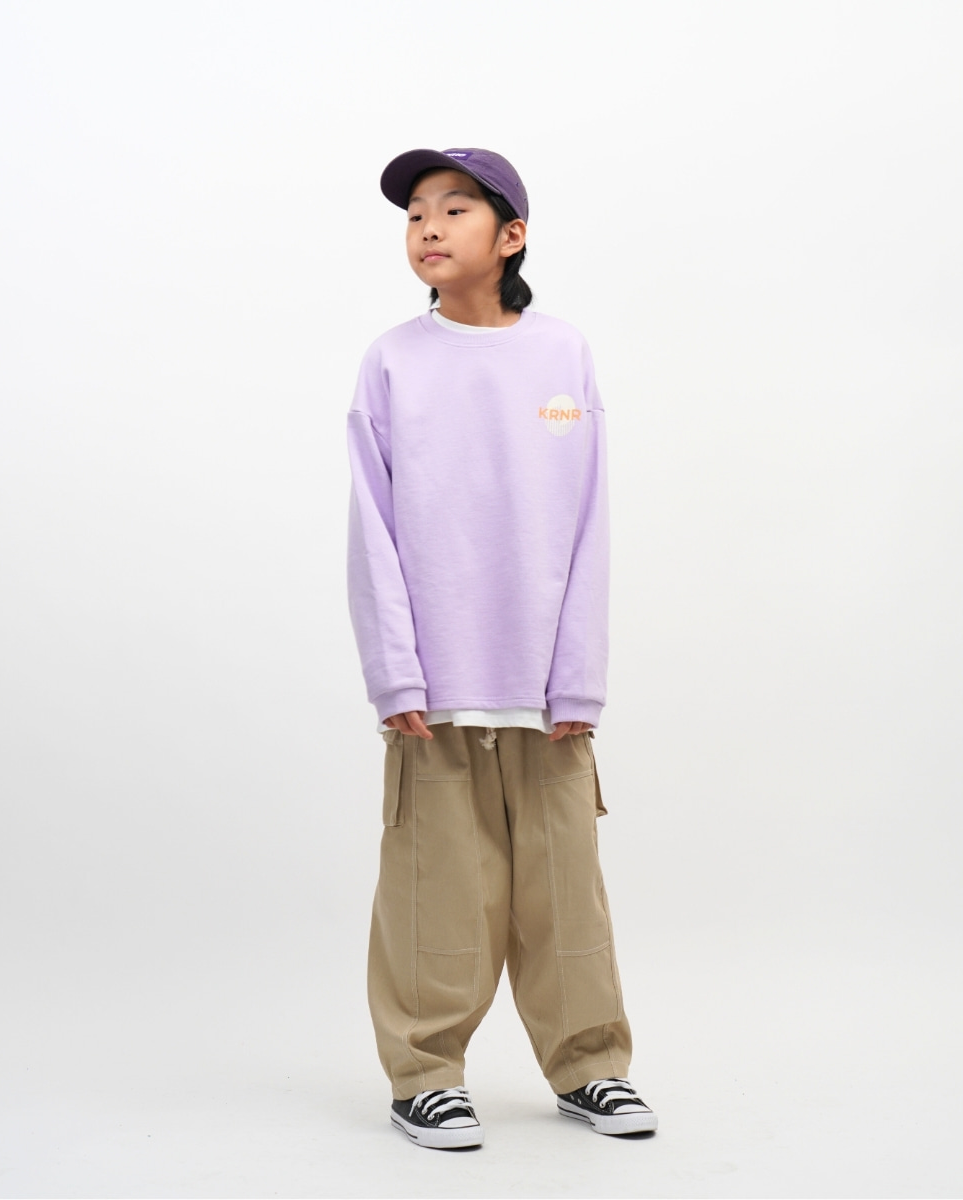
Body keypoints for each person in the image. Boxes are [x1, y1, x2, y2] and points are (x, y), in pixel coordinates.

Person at [344, 146, 657, 1150]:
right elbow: (371, 527)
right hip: (434, 690)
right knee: (436, 890)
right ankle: (425, 1074)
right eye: (414, 215)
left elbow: (589, 518)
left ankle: (590, 1066)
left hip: (545, 689)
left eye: (454, 210)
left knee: (566, 892)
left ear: (511, 235)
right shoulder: (392, 362)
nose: (428, 228)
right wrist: (395, 670)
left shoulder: (563, 356)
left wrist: (580, 677)